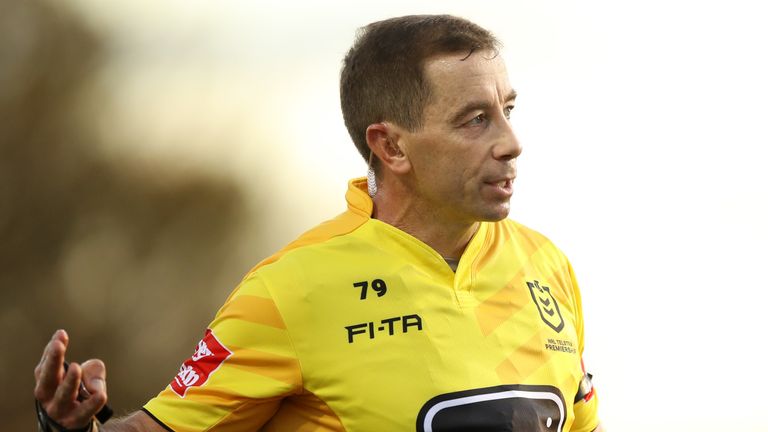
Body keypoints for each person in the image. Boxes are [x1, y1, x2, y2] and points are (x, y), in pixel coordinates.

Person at [34, 14, 603, 431]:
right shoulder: (292, 289)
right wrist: (67, 428)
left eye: (508, 109)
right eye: (476, 120)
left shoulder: (546, 267)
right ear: (391, 147)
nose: (511, 142)